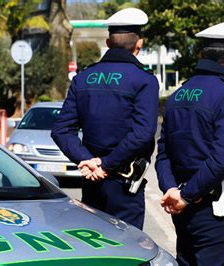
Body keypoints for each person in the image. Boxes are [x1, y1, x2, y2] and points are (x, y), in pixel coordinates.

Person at [51, 7, 159, 230]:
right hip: (124, 185)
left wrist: (87, 160)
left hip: (91, 182)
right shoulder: (144, 80)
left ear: (108, 43)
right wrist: (106, 165)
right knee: (128, 254)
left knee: (95, 247)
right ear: (139, 44)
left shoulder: (83, 78)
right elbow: (142, 133)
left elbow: (61, 130)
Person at [155, 21, 224, 265]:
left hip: (181, 206)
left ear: (202, 55)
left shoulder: (179, 94)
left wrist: (172, 190)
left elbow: (163, 152)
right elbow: (223, 158)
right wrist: (185, 196)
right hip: (214, 209)